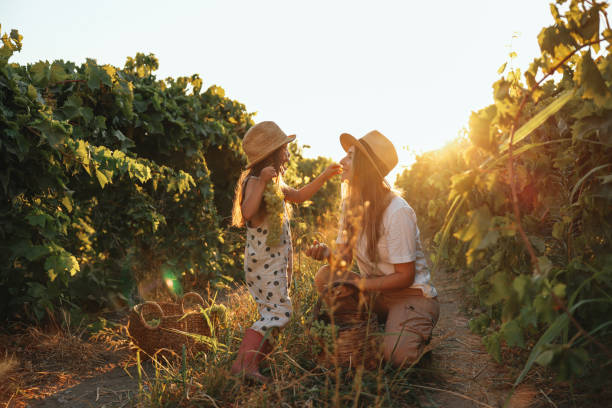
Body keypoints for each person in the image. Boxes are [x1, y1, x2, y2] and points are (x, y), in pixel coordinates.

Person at [306, 130, 439, 367]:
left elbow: (405, 276)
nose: (342, 162)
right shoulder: (351, 206)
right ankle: (378, 326)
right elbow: (344, 262)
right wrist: (326, 253)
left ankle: (410, 333)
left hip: (410, 296)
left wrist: (360, 285)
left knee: (398, 356)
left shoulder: (397, 211)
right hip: (377, 293)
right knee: (326, 277)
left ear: (365, 167)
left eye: (349, 156)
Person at [230, 121, 340, 382]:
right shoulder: (255, 181)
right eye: (284, 149)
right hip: (263, 263)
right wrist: (262, 182)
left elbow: (300, 196)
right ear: (272, 154)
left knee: (276, 312)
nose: (288, 154)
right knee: (279, 313)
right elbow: (247, 213)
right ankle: (243, 365)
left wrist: (325, 175)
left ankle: (254, 363)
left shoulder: (275, 184)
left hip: (275, 263)